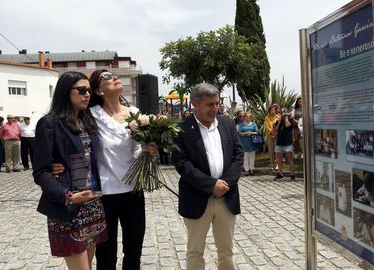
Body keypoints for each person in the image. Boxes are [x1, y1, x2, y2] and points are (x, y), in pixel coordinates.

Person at [33, 71, 107, 269]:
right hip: (68, 205)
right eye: (81, 90)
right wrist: (67, 196)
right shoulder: (49, 123)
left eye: (89, 91)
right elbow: (40, 172)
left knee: (89, 265)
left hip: (92, 202)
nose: (87, 95)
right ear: (66, 91)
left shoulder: (86, 121)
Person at [88, 69, 157, 269]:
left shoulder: (135, 114)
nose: (115, 78)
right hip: (105, 194)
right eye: (107, 77)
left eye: (114, 74)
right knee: (106, 255)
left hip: (133, 191)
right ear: (99, 90)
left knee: (134, 252)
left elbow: (137, 150)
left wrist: (148, 150)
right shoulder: (91, 116)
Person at [172, 83, 243, 270]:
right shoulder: (182, 129)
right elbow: (182, 163)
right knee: (195, 251)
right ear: (195, 104)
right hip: (196, 198)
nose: (215, 108)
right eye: (210, 104)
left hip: (227, 197)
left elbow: (238, 155)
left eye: (217, 103)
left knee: (227, 249)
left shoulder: (227, 124)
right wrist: (211, 185)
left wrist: (225, 184)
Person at [273, 108, 296, 180]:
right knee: (279, 158)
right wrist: (279, 122)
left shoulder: (291, 120)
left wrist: (286, 117)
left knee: (289, 158)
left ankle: (292, 174)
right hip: (279, 143)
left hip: (288, 143)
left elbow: (287, 125)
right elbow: (274, 131)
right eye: (282, 113)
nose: (283, 114)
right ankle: (280, 173)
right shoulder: (278, 121)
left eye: (285, 113)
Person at [264, 104, 280, 172]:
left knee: (277, 150)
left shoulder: (278, 117)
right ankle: (271, 164)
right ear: (269, 111)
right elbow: (267, 127)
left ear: (276, 111)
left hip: (277, 136)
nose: (272, 111)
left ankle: (277, 164)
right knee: (271, 151)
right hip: (270, 136)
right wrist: (272, 132)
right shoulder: (267, 118)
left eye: (273, 110)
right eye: (271, 110)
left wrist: (275, 133)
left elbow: (279, 125)